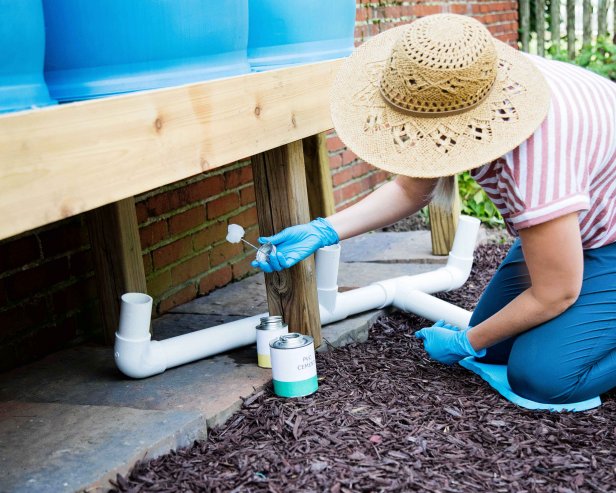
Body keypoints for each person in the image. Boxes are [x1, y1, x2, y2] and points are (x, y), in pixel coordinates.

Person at [251, 14, 616, 405]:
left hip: (606, 238)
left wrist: (465, 340)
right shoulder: (469, 81)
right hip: (580, 225)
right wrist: (323, 230)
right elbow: (412, 190)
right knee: (495, 345)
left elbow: (557, 292)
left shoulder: (536, 157)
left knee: (542, 377)